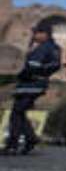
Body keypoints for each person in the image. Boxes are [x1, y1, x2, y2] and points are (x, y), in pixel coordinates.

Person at [4, 20, 62, 155]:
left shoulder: (48, 47)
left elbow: (52, 65)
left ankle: (14, 144)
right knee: (19, 112)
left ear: (44, 34)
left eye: (36, 33)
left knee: (17, 112)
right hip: (29, 84)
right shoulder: (44, 47)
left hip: (33, 84)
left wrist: (34, 71)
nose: (34, 35)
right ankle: (30, 139)